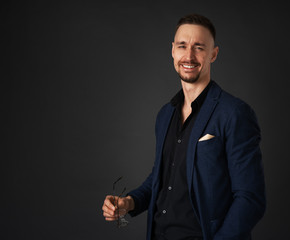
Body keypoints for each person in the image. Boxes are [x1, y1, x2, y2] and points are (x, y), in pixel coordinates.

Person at [102, 14, 266, 240]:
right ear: (172, 50)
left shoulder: (235, 113)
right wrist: (129, 202)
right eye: (182, 46)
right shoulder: (165, 114)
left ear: (213, 54)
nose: (189, 56)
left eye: (199, 47)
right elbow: (161, 179)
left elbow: (250, 198)